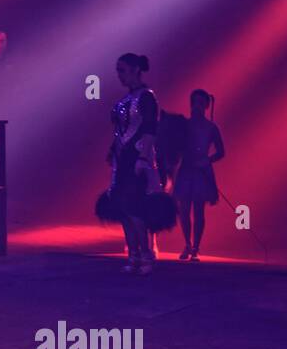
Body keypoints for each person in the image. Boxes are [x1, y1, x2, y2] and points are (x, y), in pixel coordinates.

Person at [95, 53, 177, 274]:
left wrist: (142, 158)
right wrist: (113, 151)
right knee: (123, 209)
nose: (119, 75)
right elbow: (119, 131)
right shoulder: (125, 100)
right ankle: (133, 254)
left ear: (134, 70)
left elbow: (150, 129)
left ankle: (146, 255)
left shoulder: (147, 98)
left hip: (137, 160)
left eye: (122, 70)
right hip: (123, 160)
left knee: (135, 209)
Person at [172, 90, 225, 261]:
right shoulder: (184, 126)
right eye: (194, 102)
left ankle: (196, 247)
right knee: (184, 209)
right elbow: (177, 148)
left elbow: (221, 152)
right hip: (186, 170)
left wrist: (207, 160)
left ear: (206, 106)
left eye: (201, 103)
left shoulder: (211, 127)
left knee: (199, 210)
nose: (197, 106)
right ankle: (187, 244)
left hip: (201, 172)